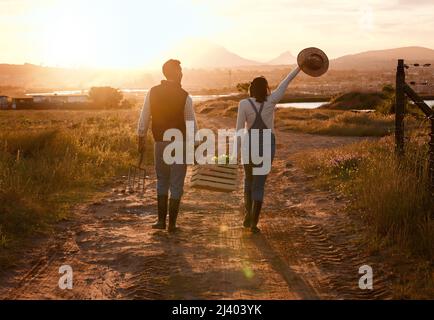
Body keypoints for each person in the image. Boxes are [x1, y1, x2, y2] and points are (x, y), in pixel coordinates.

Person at [236, 48, 329, 233]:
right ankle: (254, 222)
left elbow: (239, 130)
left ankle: (247, 214)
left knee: (248, 180)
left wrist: (235, 153)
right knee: (260, 184)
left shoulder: (244, 104)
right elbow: (286, 83)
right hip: (266, 146)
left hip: (249, 146)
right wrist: (299, 67)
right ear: (266, 88)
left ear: (251, 88)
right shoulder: (272, 100)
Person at [137, 59, 198, 232]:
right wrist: (195, 145)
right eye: (180, 70)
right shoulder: (185, 95)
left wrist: (141, 140)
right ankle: (172, 225)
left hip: (160, 143)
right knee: (177, 183)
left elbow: (144, 118)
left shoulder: (153, 92)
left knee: (162, 180)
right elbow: (191, 123)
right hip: (179, 144)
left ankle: (161, 221)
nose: (182, 73)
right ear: (176, 73)